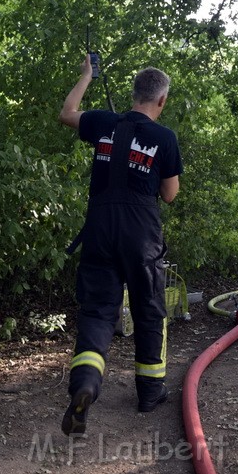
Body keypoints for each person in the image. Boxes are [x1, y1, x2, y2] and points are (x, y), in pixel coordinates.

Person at [58, 55, 183, 436]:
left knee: (97, 312)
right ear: (161, 101)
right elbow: (171, 195)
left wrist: (86, 76)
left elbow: (67, 112)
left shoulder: (102, 123)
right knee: (148, 310)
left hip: (100, 229)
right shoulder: (164, 138)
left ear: (134, 93)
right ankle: (149, 393)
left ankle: (85, 385)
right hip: (140, 234)